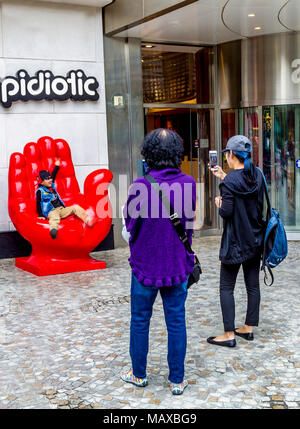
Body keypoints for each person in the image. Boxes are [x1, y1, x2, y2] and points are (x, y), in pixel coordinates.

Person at [121, 129, 196, 395]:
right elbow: (187, 225)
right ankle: (177, 379)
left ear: (148, 153)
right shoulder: (189, 183)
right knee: (176, 321)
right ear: (177, 153)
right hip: (177, 264)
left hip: (144, 266)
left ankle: (138, 374)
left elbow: (129, 228)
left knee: (140, 319)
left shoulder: (139, 187)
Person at [207, 135, 265, 348]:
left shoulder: (231, 181)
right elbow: (245, 193)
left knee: (226, 287)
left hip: (234, 243)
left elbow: (227, 212)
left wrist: (218, 203)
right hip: (255, 239)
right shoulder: (256, 175)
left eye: (227, 155)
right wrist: (224, 177)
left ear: (231, 154)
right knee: (252, 286)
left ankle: (229, 333)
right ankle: (248, 328)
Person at [36, 159, 93, 239]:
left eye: (50, 178)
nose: (50, 180)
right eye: (47, 179)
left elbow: (54, 176)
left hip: (61, 209)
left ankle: (87, 219)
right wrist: (40, 215)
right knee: (54, 217)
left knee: (75, 207)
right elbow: (38, 203)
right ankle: (53, 230)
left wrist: (57, 166)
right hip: (51, 211)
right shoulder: (40, 191)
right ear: (41, 182)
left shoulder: (51, 186)